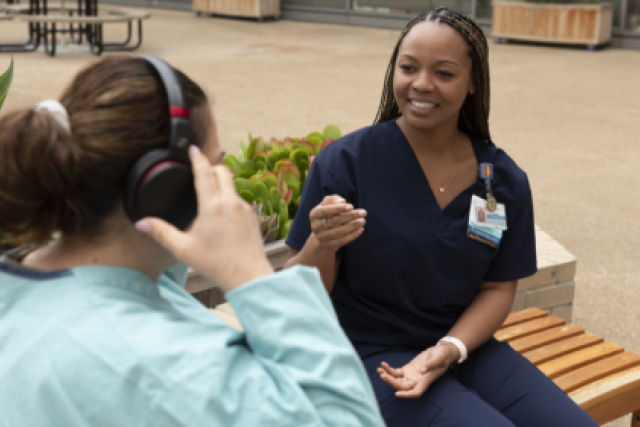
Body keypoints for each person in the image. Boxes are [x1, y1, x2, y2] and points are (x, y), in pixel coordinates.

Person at [0, 56, 384, 427]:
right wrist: (252, 274)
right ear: (164, 190)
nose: (225, 185)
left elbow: (156, 285)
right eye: (215, 167)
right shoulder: (166, 364)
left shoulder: (22, 289)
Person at [284, 8, 599, 427]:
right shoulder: (346, 164)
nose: (421, 84)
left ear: (473, 84)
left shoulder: (501, 180)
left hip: (464, 346)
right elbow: (299, 295)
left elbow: (497, 288)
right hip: (368, 355)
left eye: (444, 73)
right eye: (408, 67)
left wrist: (450, 347)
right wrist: (320, 244)